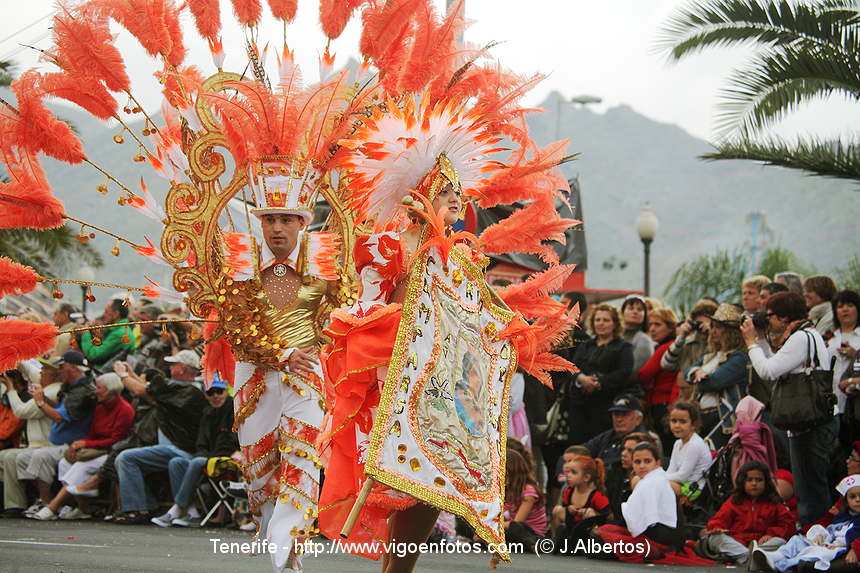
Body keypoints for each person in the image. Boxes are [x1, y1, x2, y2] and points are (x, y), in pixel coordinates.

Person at [742, 291, 835, 526]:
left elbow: (768, 371)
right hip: (806, 421)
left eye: (770, 315)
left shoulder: (801, 338)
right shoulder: (804, 335)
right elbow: (777, 364)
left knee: (811, 489)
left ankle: (815, 538)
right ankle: (811, 534)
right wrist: (761, 340)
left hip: (810, 423)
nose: (767, 319)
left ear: (784, 317)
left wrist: (751, 342)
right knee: (808, 488)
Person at [111, 351, 207, 524]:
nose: (170, 367)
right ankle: (147, 505)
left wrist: (122, 375)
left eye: (174, 364)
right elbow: (151, 391)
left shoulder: (184, 389)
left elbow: (141, 390)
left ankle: (137, 509)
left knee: (126, 458)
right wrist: (131, 374)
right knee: (126, 457)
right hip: (174, 449)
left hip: (181, 449)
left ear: (182, 369)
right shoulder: (181, 388)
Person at [29, 373, 134, 520]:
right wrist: (78, 444)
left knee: (81, 467)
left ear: (111, 391)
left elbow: (116, 440)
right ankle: (84, 508)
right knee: (65, 462)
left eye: (100, 388)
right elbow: (92, 433)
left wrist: (87, 443)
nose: (96, 391)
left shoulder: (125, 410)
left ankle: (52, 507)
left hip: (111, 452)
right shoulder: (100, 408)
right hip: (95, 449)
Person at [151, 375, 238, 528]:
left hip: (227, 456)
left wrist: (205, 456)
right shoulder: (207, 412)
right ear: (205, 394)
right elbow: (201, 443)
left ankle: (176, 509)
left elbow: (232, 441)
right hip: (207, 456)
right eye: (210, 393)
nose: (215, 396)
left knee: (197, 461)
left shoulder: (233, 409)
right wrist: (202, 455)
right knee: (177, 462)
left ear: (226, 392)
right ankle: (192, 513)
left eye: (219, 391)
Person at [15, 350, 96, 514]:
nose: (59, 371)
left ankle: (46, 503)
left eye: (62, 367)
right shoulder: (71, 386)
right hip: (59, 443)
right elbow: (59, 408)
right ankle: (42, 499)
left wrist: (39, 402)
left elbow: (60, 417)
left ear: (73, 367)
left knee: (40, 456)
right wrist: (43, 398)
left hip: (73, 444)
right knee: (22, 458)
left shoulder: (83, 389)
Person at [596, 442, 685, 562]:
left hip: (662, 538)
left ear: (657, 463)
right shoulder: (654, 479)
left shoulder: (652, 481)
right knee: (603, 538)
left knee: (602, 540)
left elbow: (638, 521)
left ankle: (652, 550)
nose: (642, 466)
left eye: (647, 461)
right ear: (632, 464)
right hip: (665, 536)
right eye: (637, 462)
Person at [750, 475, 860, 572]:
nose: (858, 500)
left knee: (814, 553)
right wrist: (819, 534)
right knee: (797, 541)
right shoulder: (841, 517)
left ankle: (780, 566)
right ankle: (774, 557)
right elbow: (830, 529)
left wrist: (855, 549)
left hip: (839, 548)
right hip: (828, 542)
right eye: (853, 497)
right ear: (846, 500)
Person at [697, 460, 794, 565]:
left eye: (759, 480)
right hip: (738, 543)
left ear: (766, 482)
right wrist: (717, 528)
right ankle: (751, 557)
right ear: (742, 482)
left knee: (780, 542)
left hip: (762, 543)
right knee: (715, 539)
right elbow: (719, 520)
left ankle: (751, 556)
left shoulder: (774, 502)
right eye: (749, 480)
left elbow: (787, 524)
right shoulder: (734, 501)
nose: (754, 483)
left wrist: (771, 534)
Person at [0, 362, 61, 517]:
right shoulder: (45, 384)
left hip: (47, 444)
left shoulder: (53, 391)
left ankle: (16, 505)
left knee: (9, 457)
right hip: (35, 445)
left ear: (54, 375)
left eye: (45, 370)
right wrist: (13, 357)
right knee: (5, 456)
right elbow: (29, 369)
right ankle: (13, 504)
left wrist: (11, 389)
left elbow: (21, 412)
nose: (40, 373)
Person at [686, 303, 750, 448]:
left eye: (718, 327)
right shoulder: (710, 356)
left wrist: (699, 378)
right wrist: (696, 372)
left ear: (731, 332)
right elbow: (687, 371)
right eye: (712, 326)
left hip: (722, 420)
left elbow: (713, 383)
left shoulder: (739, 357)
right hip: (701, 417)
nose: (713, 331)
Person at [569, 304, 634, 444]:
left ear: (615, 323)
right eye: (598, 320)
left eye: (606, 320)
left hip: (606, 404)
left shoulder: (623, 347)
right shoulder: (586, 345)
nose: (601, 324)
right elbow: (572, 367)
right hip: (580, 405)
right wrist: (582, 379)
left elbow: (624, 372)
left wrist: (598, 384)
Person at [638, 307, 679, 453]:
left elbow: (644, 374)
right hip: (663, 402)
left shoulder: (667, 347)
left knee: (667, 447)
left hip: (663, 403)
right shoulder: (663, 346)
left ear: (671, 327)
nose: (652, 329)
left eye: (657, 324)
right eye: (650, 325)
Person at [662, 300, 718, 402]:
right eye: (698, 323)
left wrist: (712, 334)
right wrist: (681, 337)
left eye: (707, 323)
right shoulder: (687, 343)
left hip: (710, 399)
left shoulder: (721, 344)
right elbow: (666, 365)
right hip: (688, 399)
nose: (701, 327)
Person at [552, 455, 609, 554]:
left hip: (587, 532)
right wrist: (569, 509)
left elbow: (608, 517)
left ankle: (585, 546)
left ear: (586, 477)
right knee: (558, 510)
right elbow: (565, 507)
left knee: (590, 514)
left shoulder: (597, 495)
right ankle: (557, 539)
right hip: (571, 526)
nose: (568, 475)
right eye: (568, 472)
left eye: (573, 472)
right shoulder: (568, 491)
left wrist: (593, 513)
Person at [583, 394, 658, 468]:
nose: (619, 419)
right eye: (616, 414)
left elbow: (618, 467)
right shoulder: (608, 435)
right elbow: (584, 449)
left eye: (624, 415)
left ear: (638, 419)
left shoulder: (641, 439)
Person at [664, 401, 712, 498]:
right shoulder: (677, 444)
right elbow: (671, 470)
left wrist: (657, 477)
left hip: (692, 489)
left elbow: (683, 476)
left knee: (655, 484)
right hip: (679, 484)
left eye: (682, 421)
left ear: (693, 424)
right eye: (673, 421)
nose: (677, 425)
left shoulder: (694, 444)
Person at [503, 449, 548, 552]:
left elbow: (518, 522)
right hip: (511, 530)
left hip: (531, 534)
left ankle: (532, 544)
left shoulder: (528, 492)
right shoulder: (507, 489)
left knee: (514, 526)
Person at [829, 290, 860, 441]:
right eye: (840, 306)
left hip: (854, 404)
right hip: (833, 404)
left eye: (850, 305)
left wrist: (855, 355)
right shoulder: (829, 338)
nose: (845, 309)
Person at [79, 299, 136, 371]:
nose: (103, 314)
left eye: (106, 311)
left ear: (116, 314)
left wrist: (85, 333)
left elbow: (94, 355)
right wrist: (93, 334)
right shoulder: (119, 330)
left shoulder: (120, 334)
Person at [621, 295, 655, 379]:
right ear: (622, 312)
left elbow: (634, 371)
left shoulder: (644, 340)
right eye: (631, 308)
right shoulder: (614, 335)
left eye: (640, 309)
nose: (635, 312)